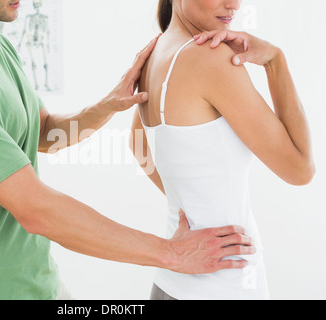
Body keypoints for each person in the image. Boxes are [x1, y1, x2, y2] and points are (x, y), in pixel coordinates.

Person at [0, 0, 256, 300]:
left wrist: (107, 106)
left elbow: (43, 133)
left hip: (39, 284)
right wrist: (172, 253)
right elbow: (35, 208)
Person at [130, 0, 315, 300]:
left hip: (168, 284)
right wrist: (275, 61)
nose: (234, 5)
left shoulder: (154, 52)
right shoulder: (211, 57)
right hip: (227, 285)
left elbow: (138, 146)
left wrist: (191, 204)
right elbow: (300, 169)